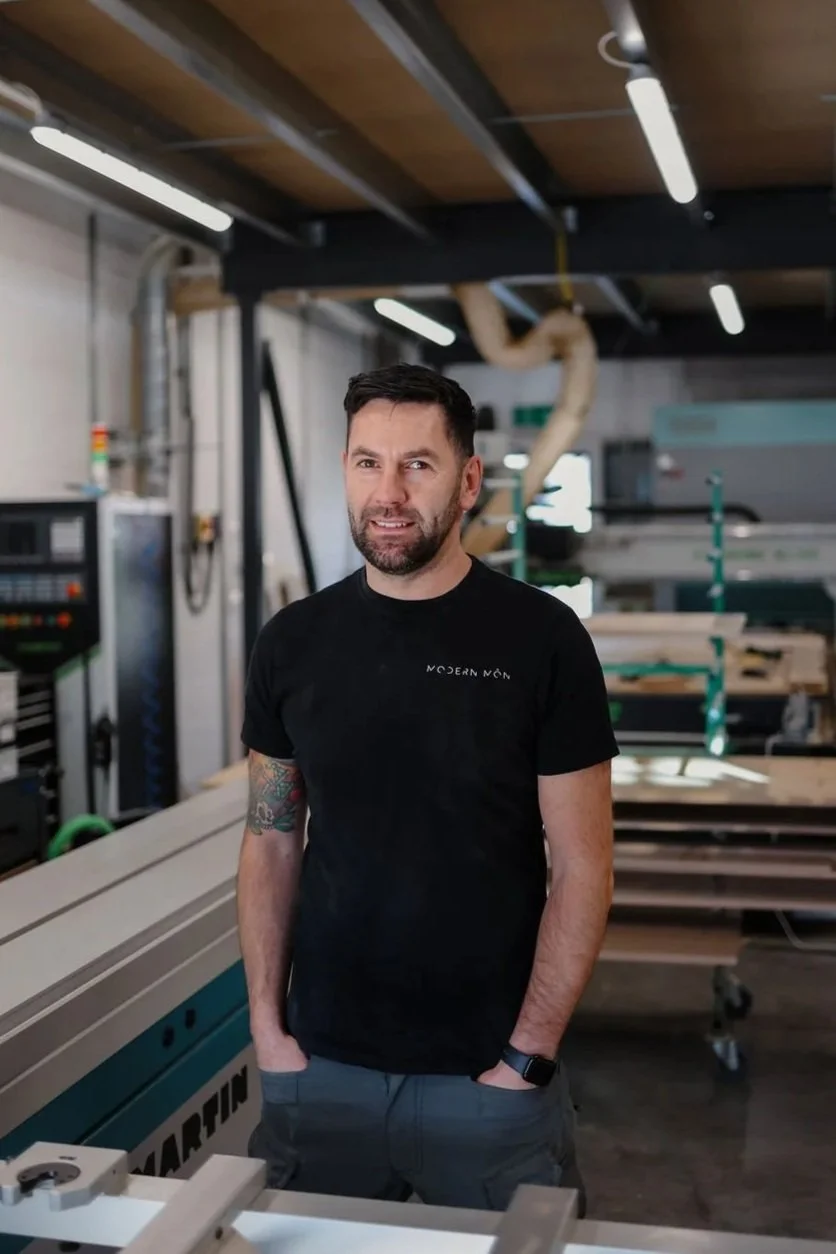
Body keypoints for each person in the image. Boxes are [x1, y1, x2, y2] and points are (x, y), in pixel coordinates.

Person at [237, 362, 617, 1211]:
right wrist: (268, 1029)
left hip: (487, 1084)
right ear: (343, 469)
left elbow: (585, 867)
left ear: (469, 478)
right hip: (320, 1070)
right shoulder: (292, 643)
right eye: (368, 462)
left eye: (419, 463)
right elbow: (270, 837)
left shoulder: (542, 641)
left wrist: (526, 1058)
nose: (390, 492)